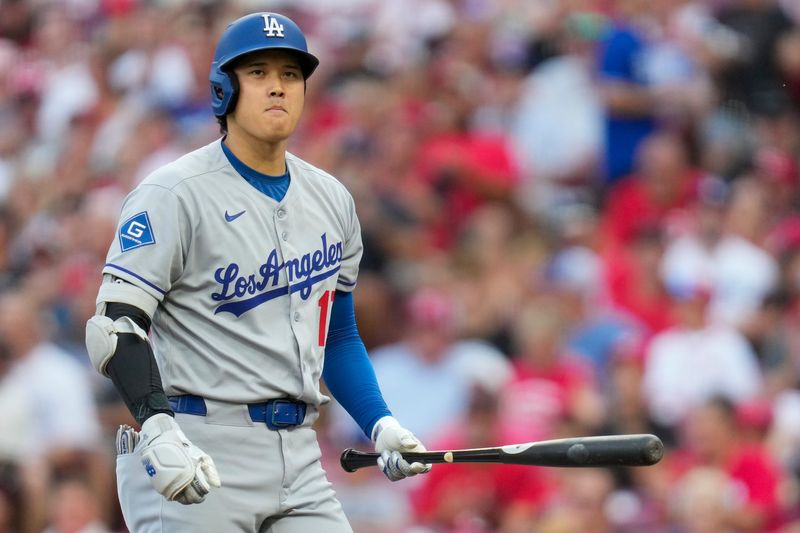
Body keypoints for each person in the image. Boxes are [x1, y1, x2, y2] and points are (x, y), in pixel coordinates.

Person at [84, 12, 429, 532]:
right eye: (260, 73)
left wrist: (379, 422)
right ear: (224, 90)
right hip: (197, 446)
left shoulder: (332, 199)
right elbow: (115, 329)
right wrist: (156, 425)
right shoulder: (172, 193)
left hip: (299, 452)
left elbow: (337, 335)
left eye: (290, 75)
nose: (278, 88)